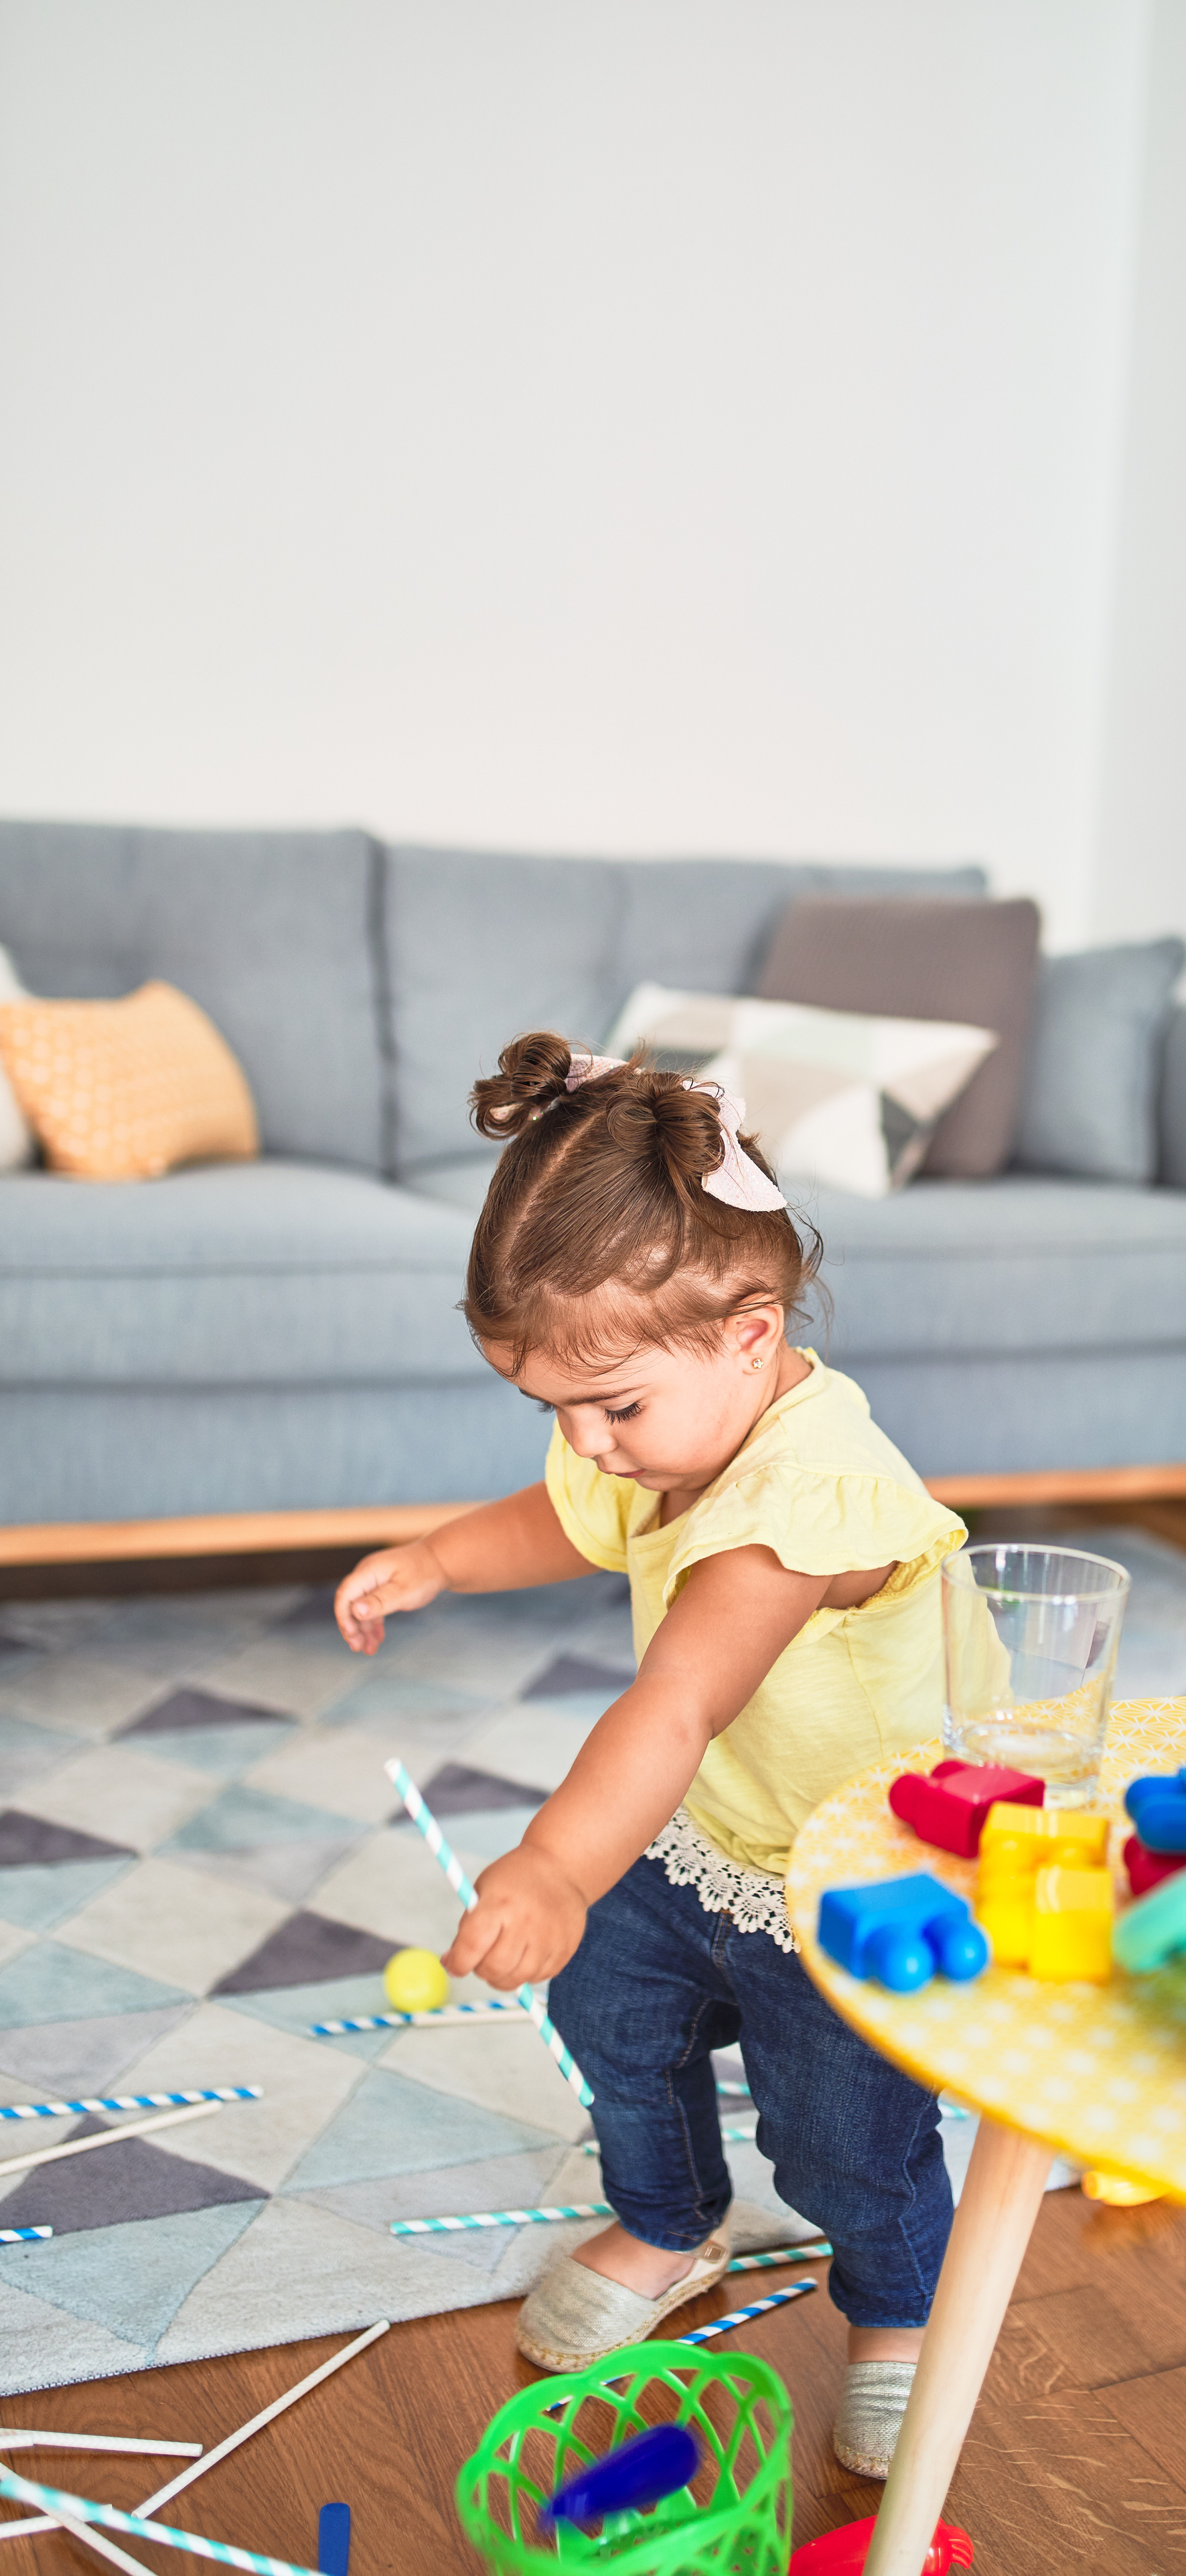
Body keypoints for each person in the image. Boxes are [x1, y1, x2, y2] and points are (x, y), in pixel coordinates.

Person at [332, 1037, 966, 2478]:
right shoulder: (656, 1434)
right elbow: (572, 1517)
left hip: (851, 1868)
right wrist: (437, 1557)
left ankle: (901, 2316)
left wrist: (557, 1861)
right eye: (550, 1408)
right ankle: (671, 2218)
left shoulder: (809, 1491)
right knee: (612, 2020)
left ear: (750, 1332)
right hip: (704, 1841)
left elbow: (676, 1703)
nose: (590, 1445)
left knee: (845, 2140)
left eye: (611, 1408)